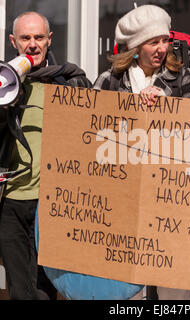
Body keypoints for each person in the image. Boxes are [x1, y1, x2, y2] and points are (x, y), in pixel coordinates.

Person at [93, 4, 190, 300]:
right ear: (136, 47)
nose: (162, 48)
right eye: (154, 42)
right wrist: (128, 110)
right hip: (122, 207)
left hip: (170, 205)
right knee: (127, 295)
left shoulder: (182, 79)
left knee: (172, 295)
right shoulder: (109, 81)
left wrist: (165, 102)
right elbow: (88, 134)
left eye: (165, 40)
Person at [0, 11, 91, 300]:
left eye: (39, 37)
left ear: (49, 40)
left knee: (44, 291)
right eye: (25, 38)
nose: (33, 44)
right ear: (13, 41)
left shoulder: (70, 81)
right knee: (18, 290)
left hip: (51, 202)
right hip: (10, 203)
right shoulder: (4, 82)